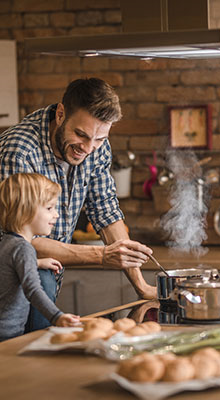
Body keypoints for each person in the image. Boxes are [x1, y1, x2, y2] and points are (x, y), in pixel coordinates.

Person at [0, 77, 156, 332]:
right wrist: (103, 256)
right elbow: (19, 240)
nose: (87, 148)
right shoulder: (19, 151)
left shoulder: (96, 146)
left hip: (46, 279)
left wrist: (141, 286)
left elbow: (106, 211)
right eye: (80, 135)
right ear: (61, 114)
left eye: (98, 139)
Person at [0, 173, 81, 342]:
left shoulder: (6, 242)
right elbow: (33, 290)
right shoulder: (23, 248)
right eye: (50, 208)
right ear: (26, 210)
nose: (56, 215)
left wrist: (36, 263)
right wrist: (57, 317)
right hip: (8, 336)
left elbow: (8, 269)